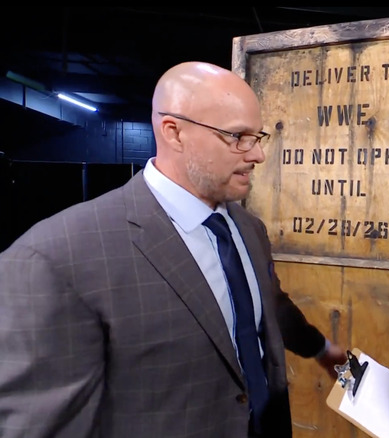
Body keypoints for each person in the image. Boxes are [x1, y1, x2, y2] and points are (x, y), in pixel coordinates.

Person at [0, 61, 347, 438]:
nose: (257, 155)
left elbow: (268, 304)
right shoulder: (53, 258)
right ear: (174, 132)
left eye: (257, 137)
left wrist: (321, 349)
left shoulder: (249, 229)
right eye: (237, 137)